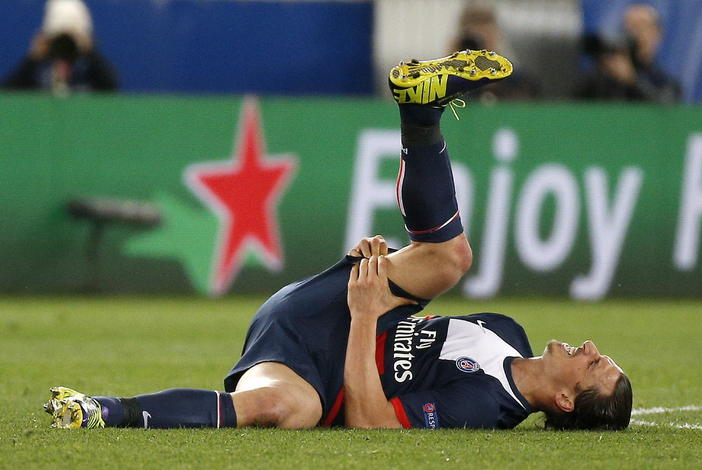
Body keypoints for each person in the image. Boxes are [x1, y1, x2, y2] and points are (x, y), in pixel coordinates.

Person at [45, 49, 632, 431]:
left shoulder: (486, 406)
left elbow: (370, 421)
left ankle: (101, 410)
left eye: (595, 364)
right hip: (332, 306)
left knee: (285, 409)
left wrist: (365, 312)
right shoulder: (507, 331)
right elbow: (407, 320)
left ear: (565, 402)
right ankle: (420, 113)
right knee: (450, 257)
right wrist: (382, 268)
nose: (589, 346)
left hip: (316, 362)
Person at [2, 0, 117, 94]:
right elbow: (7, 95)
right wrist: (32, 60)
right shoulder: (40, 66)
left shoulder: (89, 65)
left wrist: (92, 53)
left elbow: (112, 88)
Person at [575, 3, 680, 103]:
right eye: (629, 27)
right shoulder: (602, 75)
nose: (635, 33)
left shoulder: (664, 82)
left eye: (642, 27)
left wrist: (632, 81)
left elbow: (665, 108)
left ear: (657, 34)